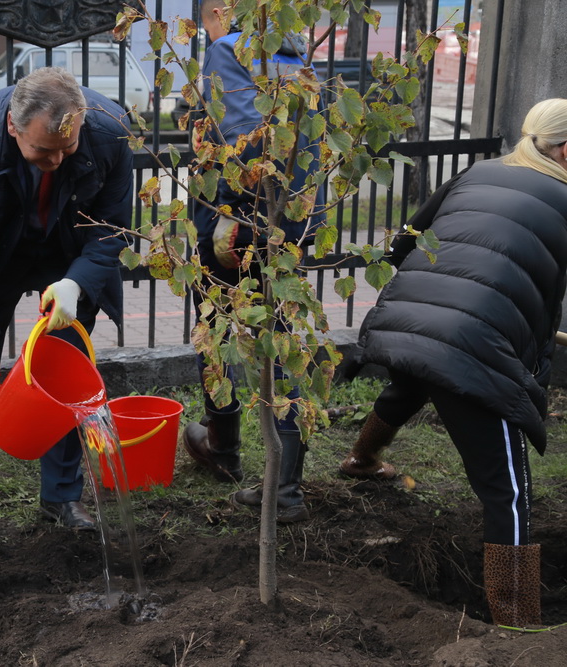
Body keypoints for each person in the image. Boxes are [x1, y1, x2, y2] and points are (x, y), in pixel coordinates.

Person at [340, 98, 567, 627]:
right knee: (509, 491)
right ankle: (516, 618)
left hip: (408, 316)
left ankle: (362, 460)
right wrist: (529, 384)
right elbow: (542, 316)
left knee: (414, 381)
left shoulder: (476, 173)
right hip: (473, 340)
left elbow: (402, 244)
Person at [0, 67, 134, 529]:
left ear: (83, 122)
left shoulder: (110, 132)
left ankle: (62, 494)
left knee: (67, 365)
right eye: (42, 149)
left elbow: (112, 228)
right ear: (13, 127)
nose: (56, 159)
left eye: (67, 148)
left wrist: (76, 284)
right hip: (0, 248)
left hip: (69, 249)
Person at [182, 0, 325, 523]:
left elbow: (246, 141)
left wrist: (227, 208)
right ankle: (285, 488)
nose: (207, 33)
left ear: (223, 12)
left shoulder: (227, 49)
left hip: (237, 226)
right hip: (290, 225)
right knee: (282, 339)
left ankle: (223, 449)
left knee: (215, 326)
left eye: (207, 22)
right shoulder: (301, 58)